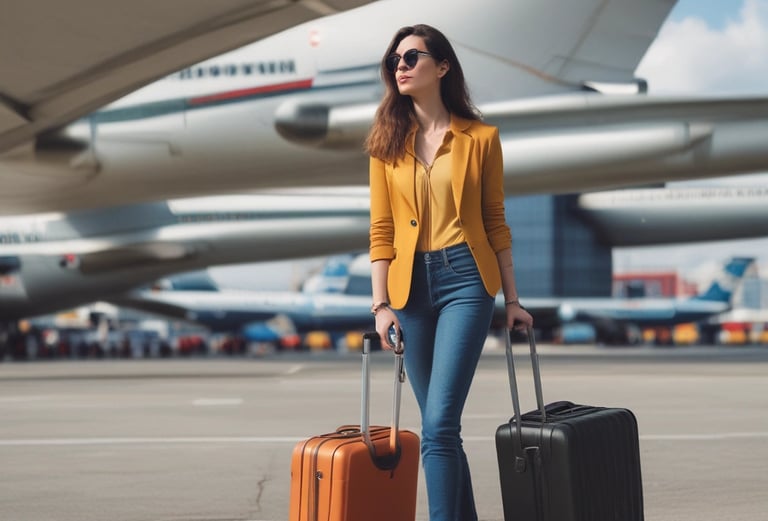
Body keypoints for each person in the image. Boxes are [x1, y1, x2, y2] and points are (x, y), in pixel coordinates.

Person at [365, 24, 534, 521]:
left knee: (439, 423)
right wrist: (380, 305)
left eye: (412, 57)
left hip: (466, 279)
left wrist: (512, 300)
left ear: (442, 67)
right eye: (395, 58)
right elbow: (381, 230)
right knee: (441, 427)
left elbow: (495, 222)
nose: (400, 65)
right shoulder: (385, 143)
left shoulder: (481, 139)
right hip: (407, 289)